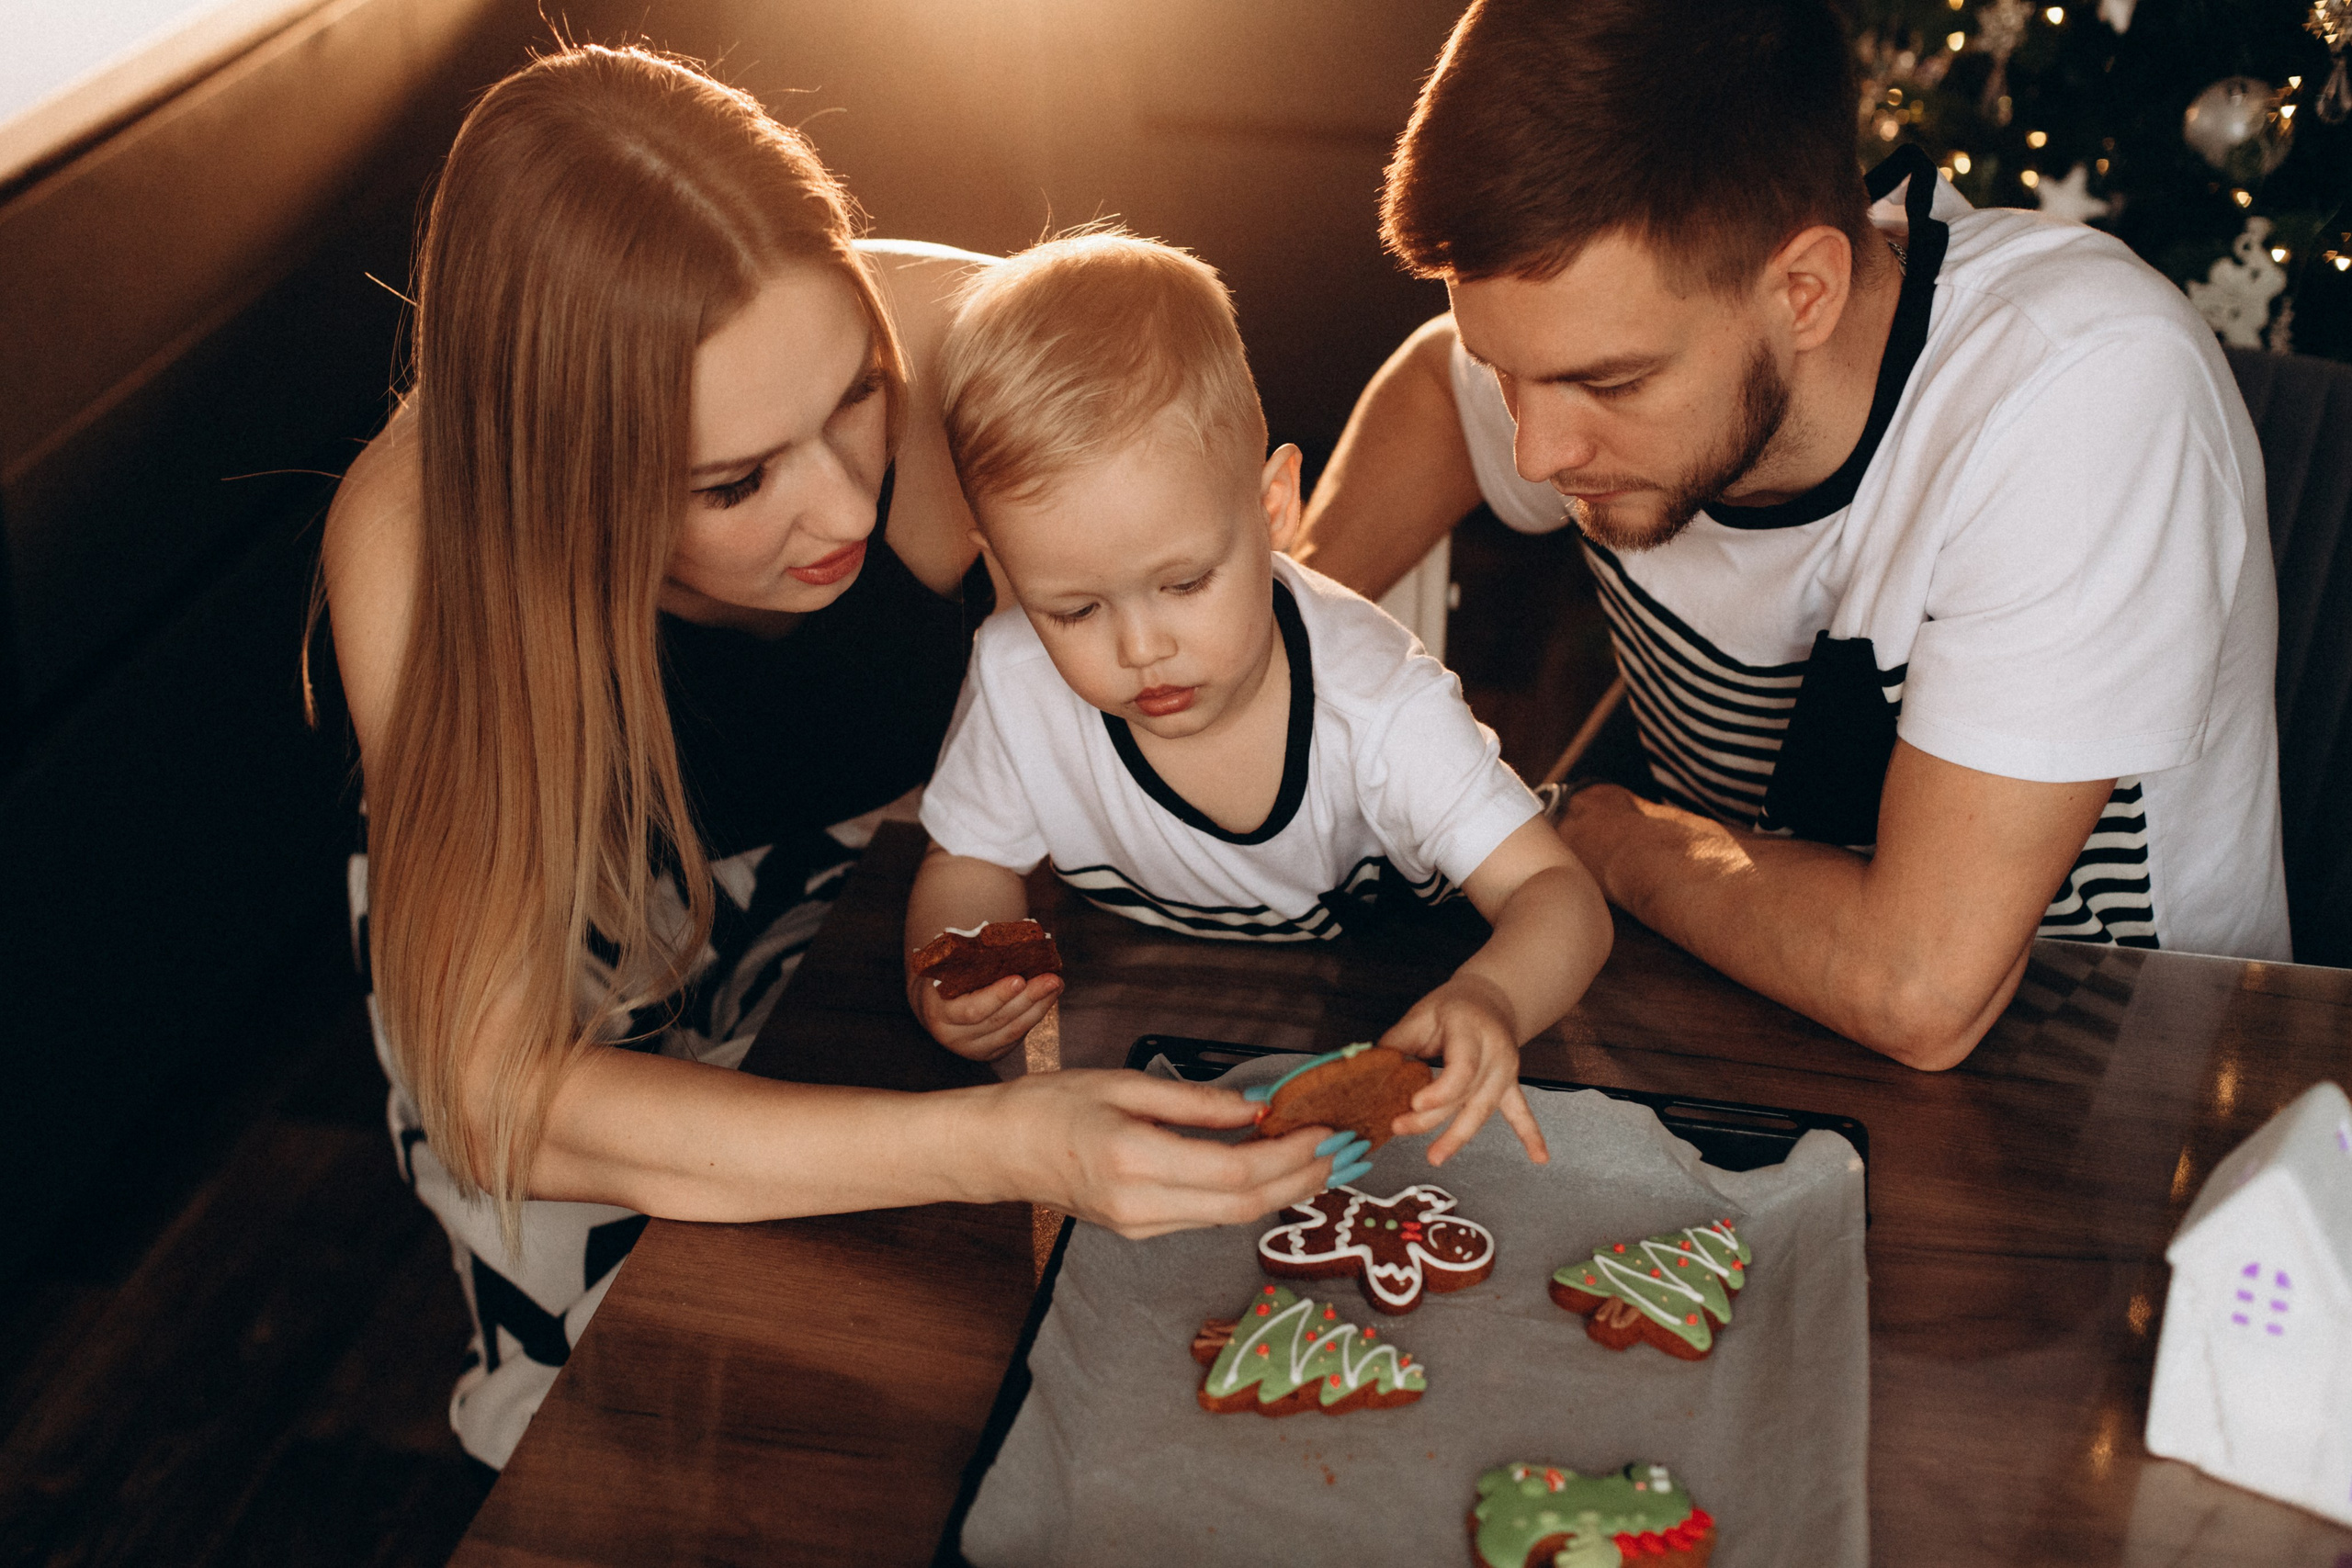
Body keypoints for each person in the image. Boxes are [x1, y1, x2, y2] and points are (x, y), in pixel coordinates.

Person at [319, 48, 1340, 1470]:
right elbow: (506, 1100)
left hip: (908, 879)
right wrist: (1001, 1145)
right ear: (564, 472)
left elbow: (1260, 619)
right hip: (561, 960)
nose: (847, 499)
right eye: (735, 481)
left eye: (859, 395)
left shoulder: (973, 334)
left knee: (975, 1359)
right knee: (648, 1422)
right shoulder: (418, 551)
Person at [1291, 0, 2290, 1071]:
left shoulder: (2081, 390)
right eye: (1508, 370)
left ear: (1804, 290)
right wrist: (1268, 632)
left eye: (1611, 382)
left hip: (2120, 1105)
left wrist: (1595, 833)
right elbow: (1441, 393)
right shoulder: (1593, 342)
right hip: (1738, 1028)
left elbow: (1919, 990)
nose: (1535, 452)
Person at [905, 232, 1613, 1168]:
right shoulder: (1014, 675)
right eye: (1071, 607)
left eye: (1185, 584)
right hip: (1166, 1033)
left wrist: (1493, 997)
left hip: (1398, 1007)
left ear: (1274, 505)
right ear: (999, 565)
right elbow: (967, 861)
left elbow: (1558, 896)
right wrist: (958, 967)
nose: (1139, 646)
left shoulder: (1379, 703)